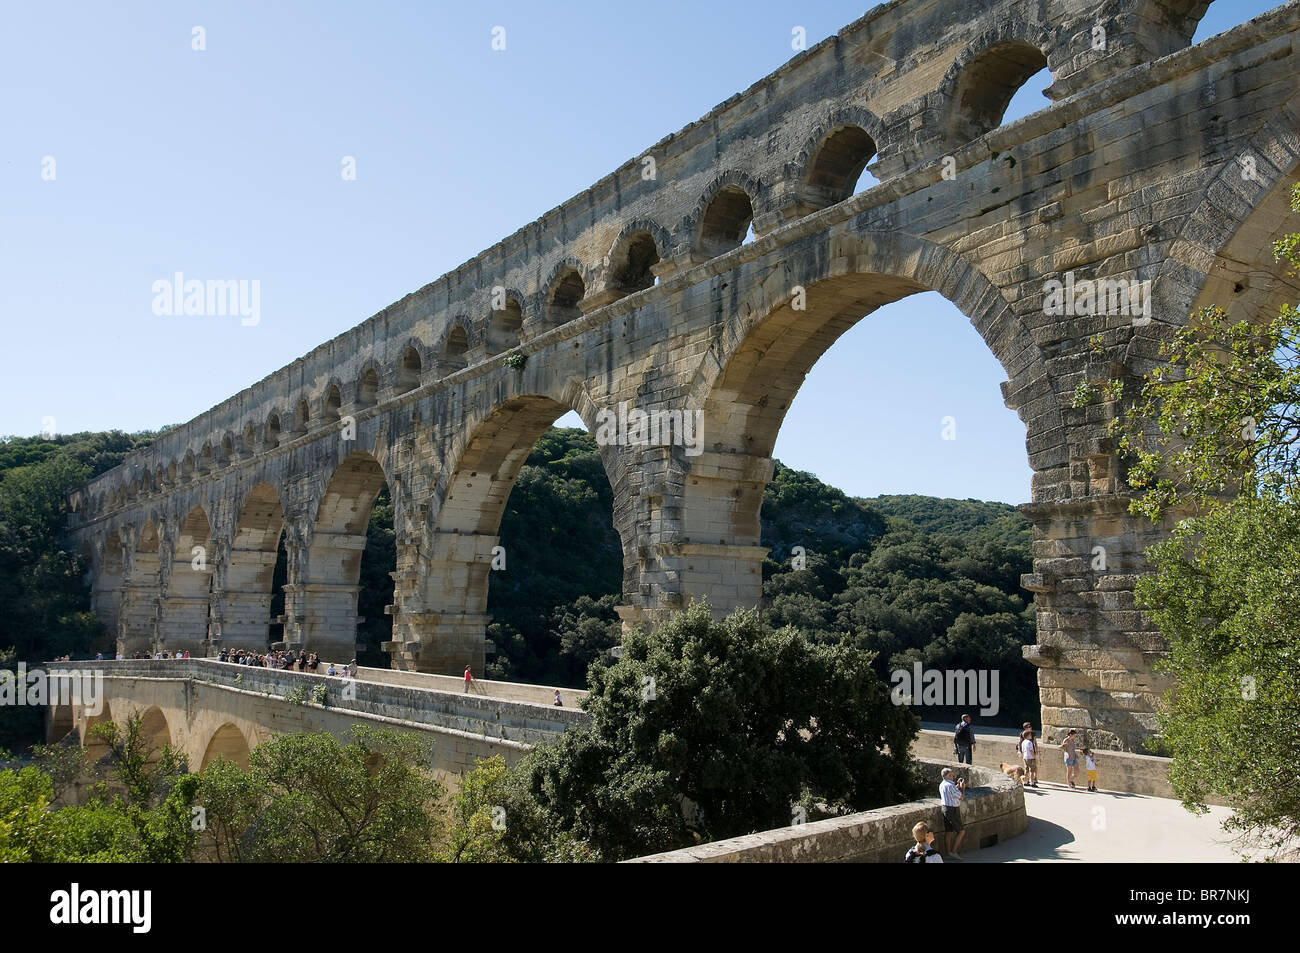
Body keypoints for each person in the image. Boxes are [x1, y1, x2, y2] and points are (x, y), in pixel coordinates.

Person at [938, 767, 967, 858]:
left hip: (945, 808)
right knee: (961, 831)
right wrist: (962, 788)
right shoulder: (950, 785)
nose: (953, 776)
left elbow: (951, 793)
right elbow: (961, 797)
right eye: (951, 775)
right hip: (952, 810)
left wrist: (957, 786)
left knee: (949, 831)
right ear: (947, 776)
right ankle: (953, 852)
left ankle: (948, 853)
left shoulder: (942, 784)